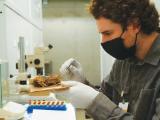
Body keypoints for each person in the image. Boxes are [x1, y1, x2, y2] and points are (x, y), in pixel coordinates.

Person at [57, 0, 160, 119]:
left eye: (108, 33)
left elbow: (101, 106)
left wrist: (93, 102)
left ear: (135, 25)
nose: (103, 41)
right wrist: (83, 85)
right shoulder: (125, 58)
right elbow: (106, 100)